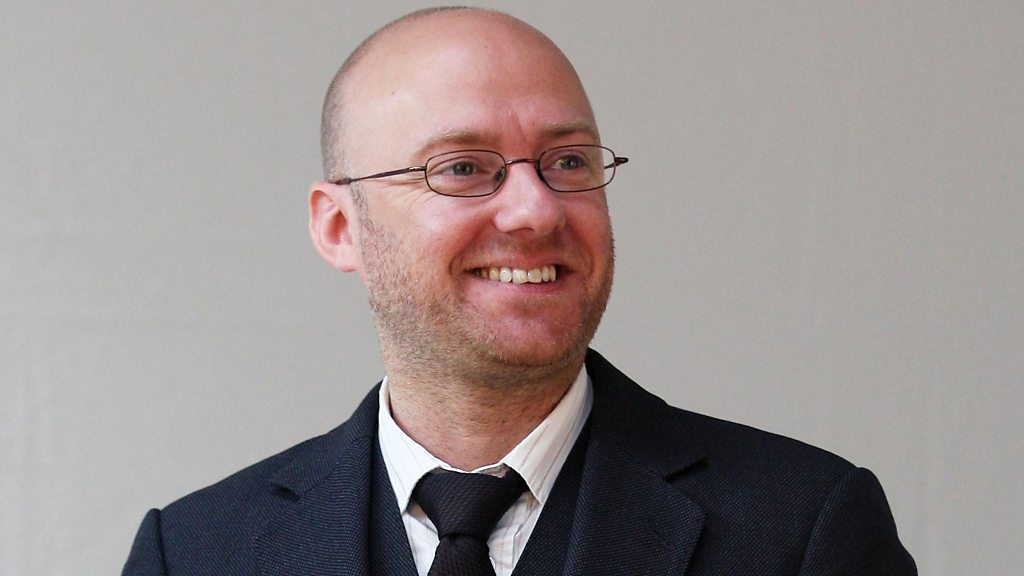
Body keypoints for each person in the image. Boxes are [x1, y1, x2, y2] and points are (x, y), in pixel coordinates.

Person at [123, 7, 916, 575]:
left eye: (568, 161)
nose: (537, 210)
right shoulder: (191, 554)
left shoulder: (804, 532)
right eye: (463, 168)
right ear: (339, 228)